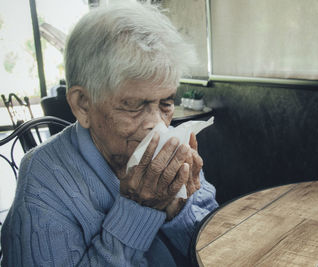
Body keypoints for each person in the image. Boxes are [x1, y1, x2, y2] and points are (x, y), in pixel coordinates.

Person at [1, 1, 218, 266]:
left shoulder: (171, 143)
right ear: (83, 104)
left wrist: (178, 211)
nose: (157, 124)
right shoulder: (44, 179)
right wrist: (138, 211)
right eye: (134, 105)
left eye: (166, 102)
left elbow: (215, 244)